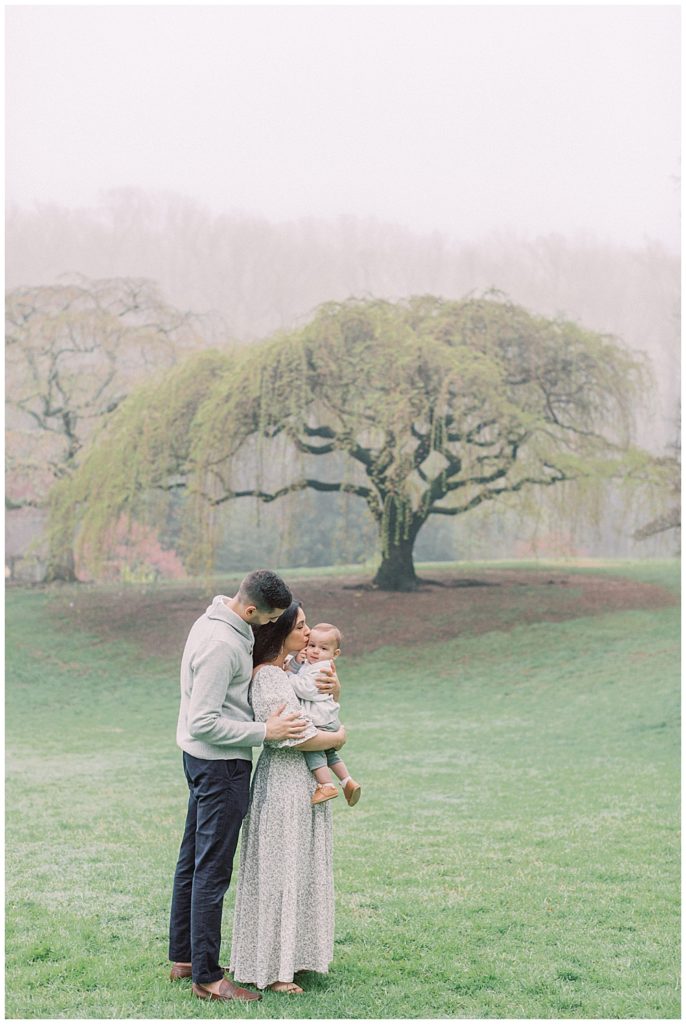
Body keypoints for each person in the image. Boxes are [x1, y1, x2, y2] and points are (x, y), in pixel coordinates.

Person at [168, 570, 337, 1004]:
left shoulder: (215, 621)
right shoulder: (223, 644)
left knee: (192, 861)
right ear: (250, 610)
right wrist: (266, 731)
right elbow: (203, 721)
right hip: (219, 766)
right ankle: (207, 978)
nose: (272, 626)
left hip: (201, 761)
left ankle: (185, 958)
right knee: (211, 871)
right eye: (271, 618)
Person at [230, 601, 346, 994]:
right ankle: (276, 969)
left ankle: (295, 957)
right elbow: (298, 736)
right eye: (301, 626)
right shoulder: (269, 678)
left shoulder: (290, 673)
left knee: (299, 868)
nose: (309, 632)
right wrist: (340, 738)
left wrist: (336, 690)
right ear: (281, 634)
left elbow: (318, 711)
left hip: (301, 783)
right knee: (282, 871)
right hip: (283, 784)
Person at [287, 622, 361, 807]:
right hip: (328, 718)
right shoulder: (312, 664)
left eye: (323, 648)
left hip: (321, 720)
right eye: (311, 645)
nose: (315, 651)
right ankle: (347, 781)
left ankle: (326, 785)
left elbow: (305, 689)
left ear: (335, 654)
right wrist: (295, 662)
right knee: (330, 754)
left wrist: (286, 676)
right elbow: (300, 670)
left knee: (313, 750)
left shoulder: (322, 669)